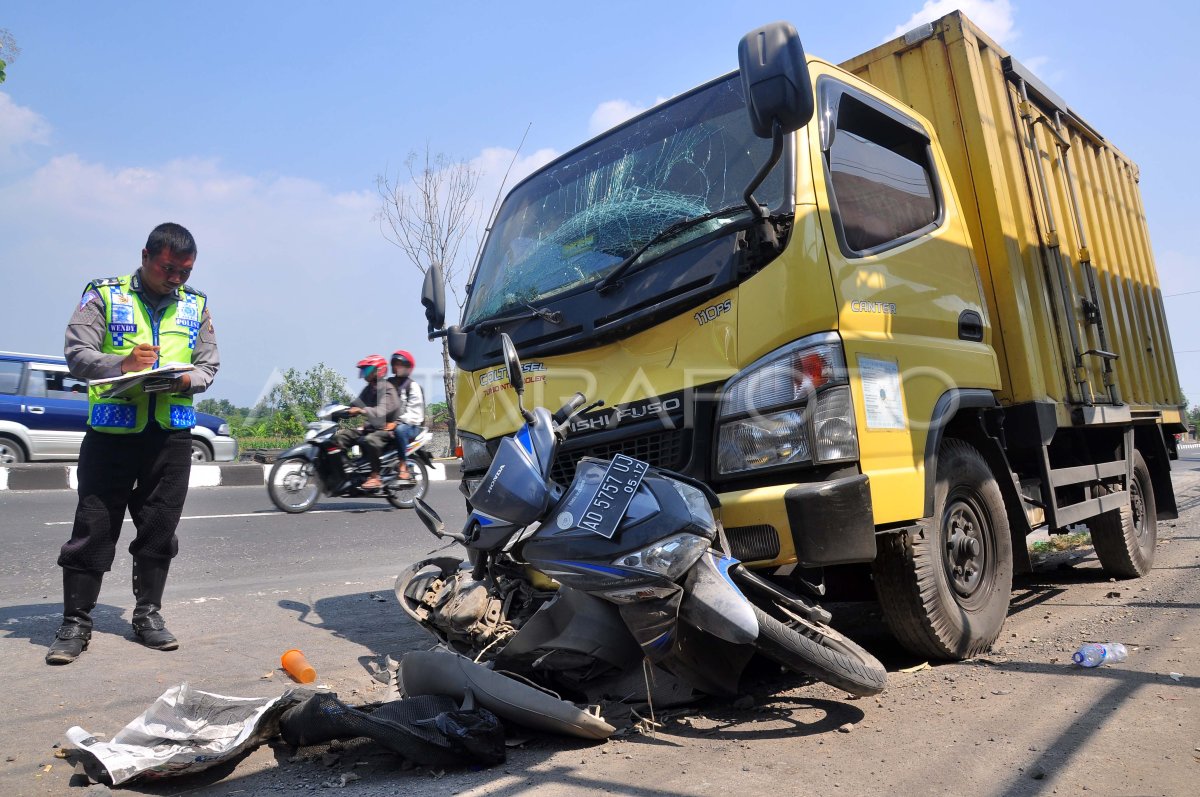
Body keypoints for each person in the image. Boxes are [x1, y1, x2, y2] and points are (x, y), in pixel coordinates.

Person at [48, 222, 219, 665]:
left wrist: (186, 378)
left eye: (185, 270)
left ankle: (148, 616)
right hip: (111, 436)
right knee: (94, 527)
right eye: (168, 268)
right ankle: (75, 623)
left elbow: (208, 365)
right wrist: (122, 363)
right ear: (145, 256)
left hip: (171, 436)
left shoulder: (195, 304)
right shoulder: (104, 295)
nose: (177, 278)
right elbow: (77, 354)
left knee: (160, 528)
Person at [331, 355, 399, 489]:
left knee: (370, 440)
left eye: (367, 370)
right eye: (364, 370)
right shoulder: (369, 389)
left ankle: (375, 476)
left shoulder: (387, 388)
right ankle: (347, 470)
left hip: (387, 430)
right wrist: (338, 410)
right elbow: (355, 404)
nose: (364, 374)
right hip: (371, 427)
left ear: (379, 371)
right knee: (340, 436)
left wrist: (362, 411)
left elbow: (381, 411)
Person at [387, 350, 425, 481]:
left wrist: (396, 422)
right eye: (395, 364)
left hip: (411, 425)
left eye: (400, 364)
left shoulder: (412, 386)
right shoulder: (389, 383)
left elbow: (415, 414)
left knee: (400, 430)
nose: (397, 367)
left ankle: (403, 465)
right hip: (390, 423)